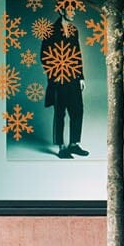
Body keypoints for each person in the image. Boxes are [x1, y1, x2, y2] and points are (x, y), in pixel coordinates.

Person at [41, 15, 88, 158]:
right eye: (69, 9)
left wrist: (81, 76)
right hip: (58, 78)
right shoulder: (50, 30)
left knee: (78, 110)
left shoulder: (74, 30)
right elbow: (44, 55)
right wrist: (55, 74)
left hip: (73, 76)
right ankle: (61, 147)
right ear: (62, 10)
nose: (73, 12)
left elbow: (77, 54)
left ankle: (74, 144)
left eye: (74, 9)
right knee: (60, 112)